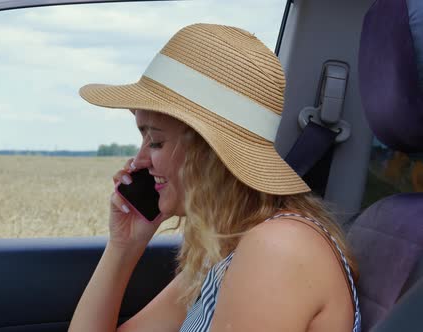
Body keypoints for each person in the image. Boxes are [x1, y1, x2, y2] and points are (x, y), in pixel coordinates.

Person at [68, 24, 361, 332]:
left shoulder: (277, 248)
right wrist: (124, 246)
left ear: (208, 153)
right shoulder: (224, 245)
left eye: (155, 142)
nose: (139, 161)